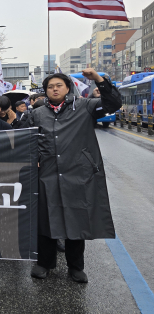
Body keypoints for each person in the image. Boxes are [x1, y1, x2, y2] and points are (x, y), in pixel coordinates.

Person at [29, 69, 121, 283]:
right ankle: (44, 264)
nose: (54, 89)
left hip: (78, 173)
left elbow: (113, 103)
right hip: (47, 174)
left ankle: (76, 267)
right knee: (46, 220)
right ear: (46, 91)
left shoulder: (84, 106)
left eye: (58, 85)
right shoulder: (37, 113)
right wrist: (33, 157)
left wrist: (98, 79)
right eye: (50, 86)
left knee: (76, 219)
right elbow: (28, 139)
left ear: (67, 88)